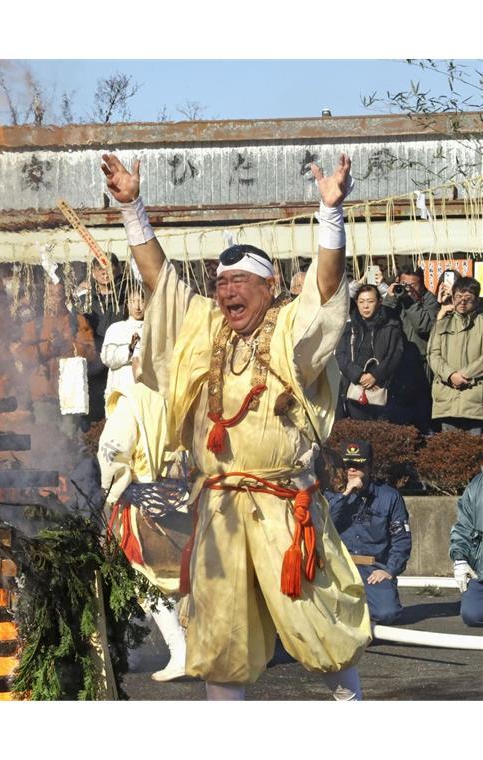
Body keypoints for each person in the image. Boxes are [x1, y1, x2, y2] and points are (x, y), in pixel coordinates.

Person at [100, 151, 371, 700]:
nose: (227, 290)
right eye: (222, 282)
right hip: (220, 508)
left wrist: (330, 215)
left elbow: (324, 289)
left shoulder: (291, 328)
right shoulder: (205, 328)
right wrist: (132, 208)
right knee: (220, 645)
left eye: (241, 280)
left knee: (318, 624)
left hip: (281, 504)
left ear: (269, 287)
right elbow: (164, 283)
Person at [96, 382, 189, 681]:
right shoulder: (191, 383)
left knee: (149, 582)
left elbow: (112, 452)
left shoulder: (133, 399)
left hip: (151, 512)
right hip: (195, 503)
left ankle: (180, 652)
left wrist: (111, 493)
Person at [325, 440, 411, 625]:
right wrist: (346, 493)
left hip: (373, 568)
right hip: (340, 567)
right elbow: (323, 524)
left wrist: (389, 570)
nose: (352, 470)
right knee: (324, 614)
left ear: (370, 466)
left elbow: (401, 538)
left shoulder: (389, 496)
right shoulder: (331, 495)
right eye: (348, 465)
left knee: (388, 613)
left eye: (358, 465)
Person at [382, 266, 439, 431]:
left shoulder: (429, 299)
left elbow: (425, 326)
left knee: (422, 411)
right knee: (398, 414)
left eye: (413, 285)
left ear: (422, 284)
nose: (408, 288)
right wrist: (390, 298)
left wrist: (410, 302)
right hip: (397, 362)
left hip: (421, 363)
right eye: (404, 284)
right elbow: (382, 320)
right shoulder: (396, 298)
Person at [335, 284, 403, 422]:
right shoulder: (350, 326)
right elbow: (341, 355)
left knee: (380, 435)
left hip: (382, 390)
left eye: (370, 301)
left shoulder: (391, 325)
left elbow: (394, 355)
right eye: (361, 302)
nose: (365, 306)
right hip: (354, 389)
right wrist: (358, 375)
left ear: (380, 302)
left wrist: (376, 375)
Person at [427, 277, 483, 435]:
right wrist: (450, 375)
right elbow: (433, 354)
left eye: (468, 298)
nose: (462, 302)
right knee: (449, 452)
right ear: (452, 298)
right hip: (447, 397)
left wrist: (465, 374)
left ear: (476, 300)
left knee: (474, 451)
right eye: (458, 297)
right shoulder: (442, 324)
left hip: (475, 398)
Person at [450, 471, 483, 627]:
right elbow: (463, 528)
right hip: (481, 571)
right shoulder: (476, 487)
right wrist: (460, 559)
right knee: (472, 615)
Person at [100, 287, 145, 399]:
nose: (137, 306)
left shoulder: (155, 328)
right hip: (123, 388)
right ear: (126, 304)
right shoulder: (116, 328)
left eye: (141, 301)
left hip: (147, 390)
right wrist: (129, 349)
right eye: (132, 301)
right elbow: (107, 358)